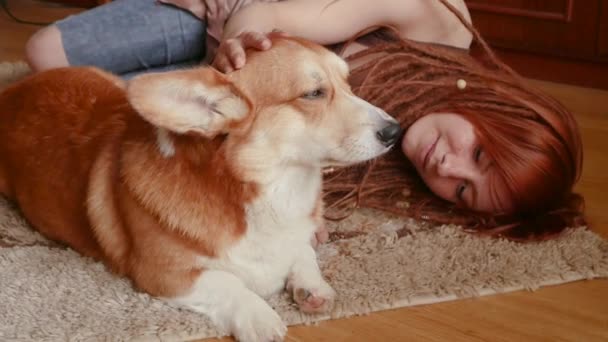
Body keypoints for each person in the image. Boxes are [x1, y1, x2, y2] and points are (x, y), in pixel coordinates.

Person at [24, 0, 585, 240]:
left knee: (100, 122)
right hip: (240, 14)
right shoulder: (439, 19)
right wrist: (232, 63)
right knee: (45, 54)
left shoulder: (399, 158)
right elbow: (266, 18)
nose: (447, 164)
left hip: (239, 82)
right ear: (498, 111)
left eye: (461, 190)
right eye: (478, 152)